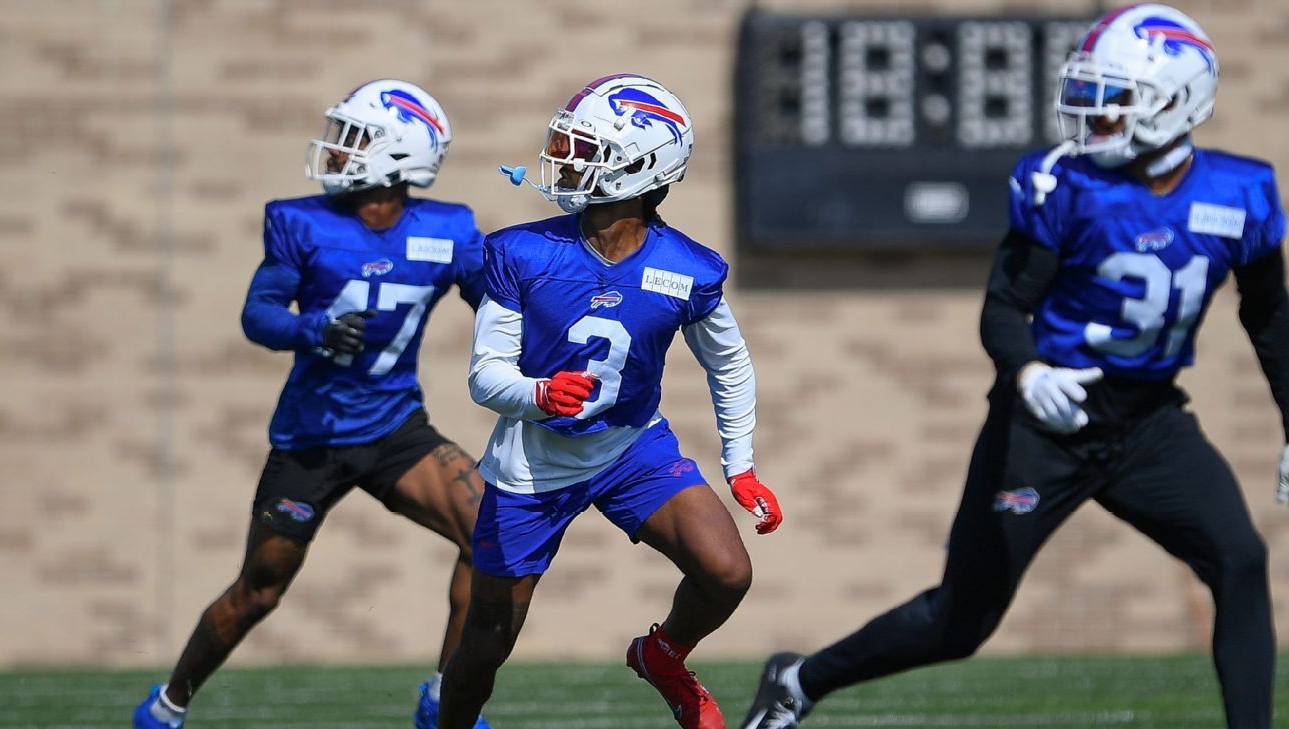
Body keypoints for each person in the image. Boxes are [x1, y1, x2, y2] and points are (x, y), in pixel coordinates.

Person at [741, 5, 1284, 729]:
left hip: (1150, 419)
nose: (1092, 115)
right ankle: (799, 680)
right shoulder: (1065, 184)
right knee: (962, 619)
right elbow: (1002, 308)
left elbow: (1270, 316)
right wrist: (1029, 373)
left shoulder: (1238, 193)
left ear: (1180, 102)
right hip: (1043, 421)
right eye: (1089, 93)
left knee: (1240, 560)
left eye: (1114, 98)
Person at [131, 79, 493, 729]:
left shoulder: (450, 228)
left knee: (491, 535)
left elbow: (498, 306)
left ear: (400, 155)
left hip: (393, 426)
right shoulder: (301, 222)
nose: (334, 150)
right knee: (258, 589)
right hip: (312, 435)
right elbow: (258, 314)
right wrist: (313, 328)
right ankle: (167, 705)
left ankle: (445, 700)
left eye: (354, 139)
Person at [434, 74, 783, 729]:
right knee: (486, 641)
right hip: (534, 458)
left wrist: (739, 463)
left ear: (641, 166)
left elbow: (730, 363)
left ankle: (663, 654)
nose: (565, 159)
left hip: (629, 445)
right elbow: (485, 378)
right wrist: (539, 393)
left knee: (727, 570)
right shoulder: (521, 251)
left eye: (584, 147)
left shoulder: (689, 266)